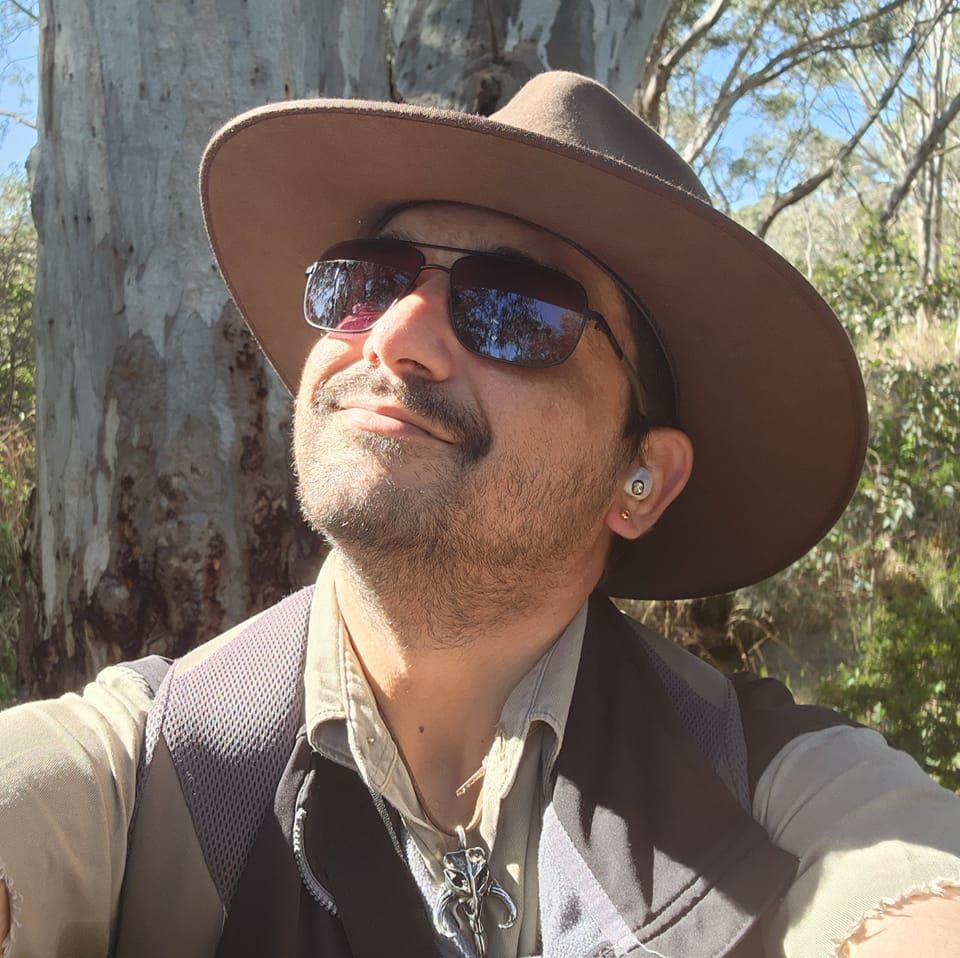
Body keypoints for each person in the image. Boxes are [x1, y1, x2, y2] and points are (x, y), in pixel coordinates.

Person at [0, 71, 958, 958]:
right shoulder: (147, 774)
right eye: (368, 279)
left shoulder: (779, 792)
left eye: (517, 310)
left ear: (642, 479)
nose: (398, 335)